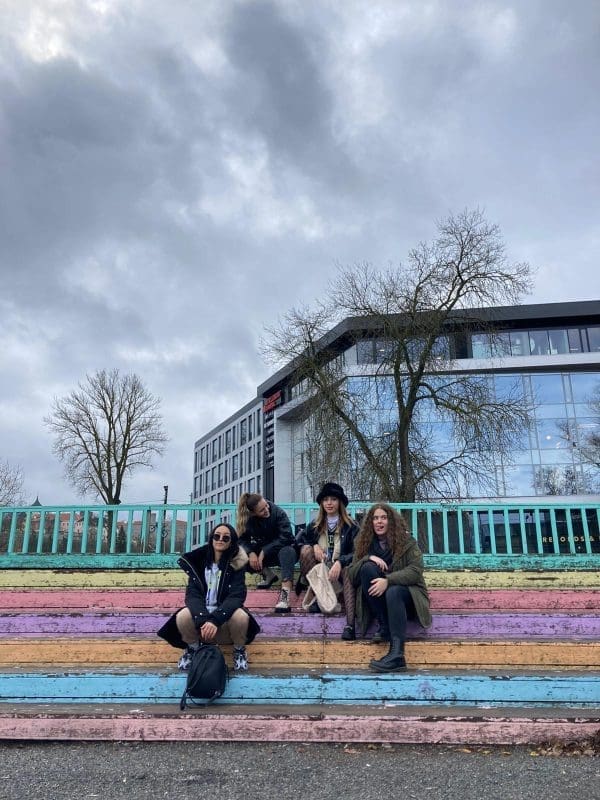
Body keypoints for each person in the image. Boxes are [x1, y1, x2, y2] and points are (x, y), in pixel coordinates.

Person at [157, 523, 260, 672]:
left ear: (231, 542)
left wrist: (214, 620)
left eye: (226, 538)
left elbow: (236, 597)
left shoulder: (236, 565)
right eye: (217, 536)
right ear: (211, 539)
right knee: (183, 615)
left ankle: (239, 650)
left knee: (241, 616)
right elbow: (192, 596)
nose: (220, 540)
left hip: (224, 624)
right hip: (202, 626)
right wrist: (204, 619)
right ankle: (192, 648)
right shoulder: (198, 563)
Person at [346, 503, 431, 672]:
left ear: (391, 521)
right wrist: (368, 558)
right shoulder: (363, 543)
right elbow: (352, 575)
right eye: (375, 518)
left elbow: (416, 571)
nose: (379, 522)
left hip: (408, 597)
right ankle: (384, 624)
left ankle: (397, 654)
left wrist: (388, 580)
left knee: (394, 591)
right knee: (367, 568)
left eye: (383, 518)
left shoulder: (406, 541)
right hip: (381, 603)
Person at [294, 482, 359, 632]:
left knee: (348, 571)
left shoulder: (352, 526)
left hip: (340, 573)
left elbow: (358, 552)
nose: (329, 503)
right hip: (320, 570)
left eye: (333, 499)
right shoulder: (315, 525)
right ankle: (318, 594)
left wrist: (340, 562)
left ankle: (350, 626)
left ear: (340, 502)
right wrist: (314, 545)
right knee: (306, 550)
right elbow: (298, 542)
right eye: (325, 499)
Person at [236, 492, 297, 613]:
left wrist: (265, 551)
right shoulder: (248, 520)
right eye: (262, 510)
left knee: (287, 551)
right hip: (263, 555)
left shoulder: (278, 512)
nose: (267, 510)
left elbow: (286, 537)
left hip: (283, 550)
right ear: (253, 513)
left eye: (266, 505)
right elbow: (241, 540)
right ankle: (268, 575)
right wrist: (251, 552)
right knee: (238, 556)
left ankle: (285, 599)